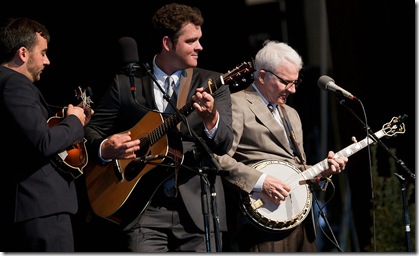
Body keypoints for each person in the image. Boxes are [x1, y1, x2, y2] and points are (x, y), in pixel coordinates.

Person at [83, 3, 234, 252]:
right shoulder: (126, 83)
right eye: (191, 41)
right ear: (167, 43)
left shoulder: (211, 84)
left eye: (200, 40)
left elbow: (224, 144)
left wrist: (211, 119)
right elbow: (90, 130)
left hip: (198, 212)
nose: (200, 47)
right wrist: (104, 147)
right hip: (142, 210)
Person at [216, 40, 349, 252]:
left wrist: (323, 172)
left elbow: (297, 169)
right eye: (286, 82)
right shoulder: (236, 104)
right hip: (263, 221)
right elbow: (219, 158)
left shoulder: (292, 114)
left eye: (296, 82)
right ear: (261, 76)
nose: (293, 90)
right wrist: (261, 181)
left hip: (301, 219)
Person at [0, 17, 93, 252]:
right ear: (23, 53)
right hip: (41, 207)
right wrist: (74, 121)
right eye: (43, 53)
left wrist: (69, 119)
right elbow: (44, 141)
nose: (47, 61)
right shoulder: (15, 85)